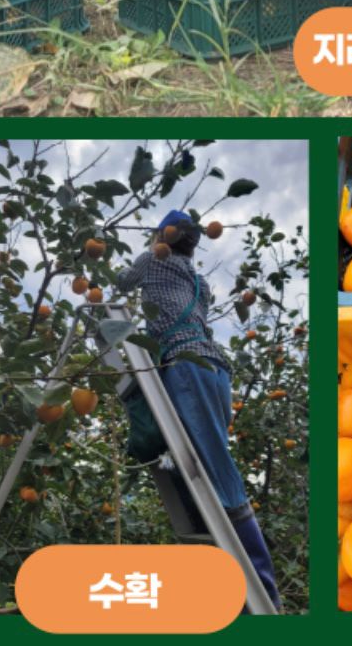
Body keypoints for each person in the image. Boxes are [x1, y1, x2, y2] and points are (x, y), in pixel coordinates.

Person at [114, 209, 280, 609]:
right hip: (215, 370)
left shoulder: (155, 258)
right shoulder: (201, 283)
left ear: (164, 236)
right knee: (206, 463)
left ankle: (261, 590)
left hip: (185, 364)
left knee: (217, 470)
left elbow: (119, 284)